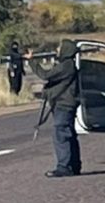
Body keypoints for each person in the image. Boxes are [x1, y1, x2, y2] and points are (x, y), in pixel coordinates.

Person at [26, 39, 82, 178]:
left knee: (61, 133)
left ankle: (64, 166)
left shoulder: (66, 66)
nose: (57, 50)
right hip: (64, 103)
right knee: (68, 134)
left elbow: (46, 75)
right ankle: (73, 165)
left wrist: (32, 61)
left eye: (60, 48)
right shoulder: (67, 65)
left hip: (64, 104)